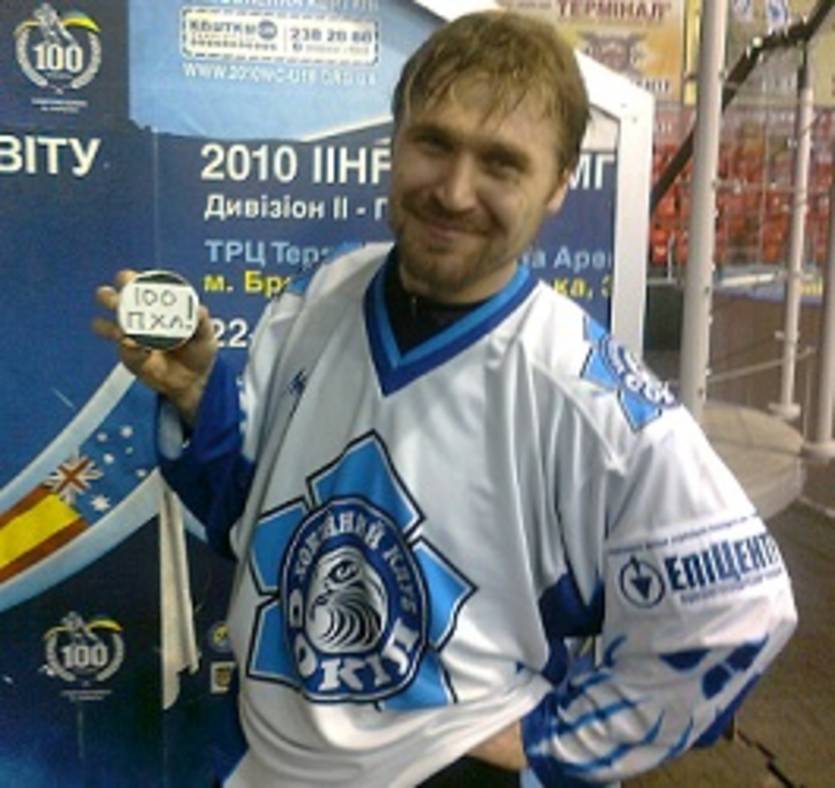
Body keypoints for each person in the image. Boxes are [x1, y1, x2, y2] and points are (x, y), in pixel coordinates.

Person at [93, 10, 797, 787]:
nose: (454, 192)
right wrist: (198, 397)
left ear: (559, 183)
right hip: (268, 763)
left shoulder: (582, 389)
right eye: (433, 143)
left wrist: (554, 744)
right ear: (396, 143)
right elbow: (241, 513)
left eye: (501, 163)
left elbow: (741, 611)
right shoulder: (322, 295)